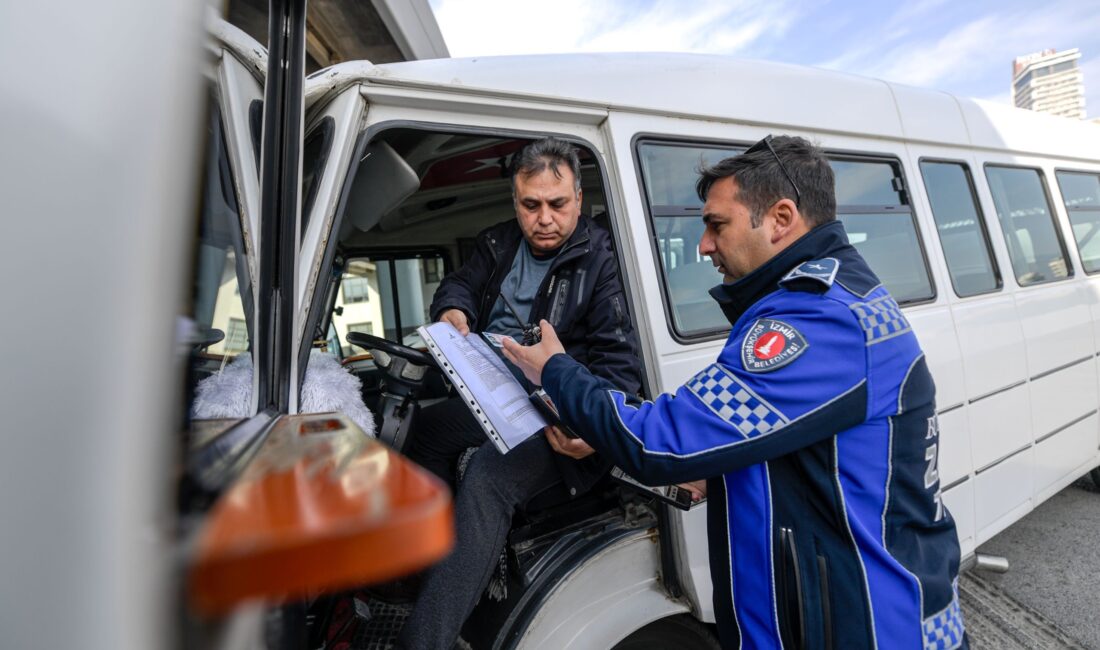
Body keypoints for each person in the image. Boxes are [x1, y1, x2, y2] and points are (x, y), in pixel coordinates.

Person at [503, 135, 966, 649]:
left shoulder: (821, 320)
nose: (703, 245)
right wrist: (715, 470)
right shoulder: (821, 300)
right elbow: (790, 447)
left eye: (717, 225)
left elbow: (662, 440)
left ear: (780, 218)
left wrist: (557, 371)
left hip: (868, 630)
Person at [396, 137, 642, 649]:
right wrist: (453, 310)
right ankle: (433, 572)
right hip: (495, 391)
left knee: (489, 475)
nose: (544, 218)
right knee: (422, 431)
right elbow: (458, 285)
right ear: (516, 202)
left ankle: (425, 640)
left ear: (579, 199)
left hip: (563, 417)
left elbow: (620, 368)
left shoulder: (603, 261)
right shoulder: (497, 243)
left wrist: (596, 431)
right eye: (531, 205)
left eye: (558, 204)